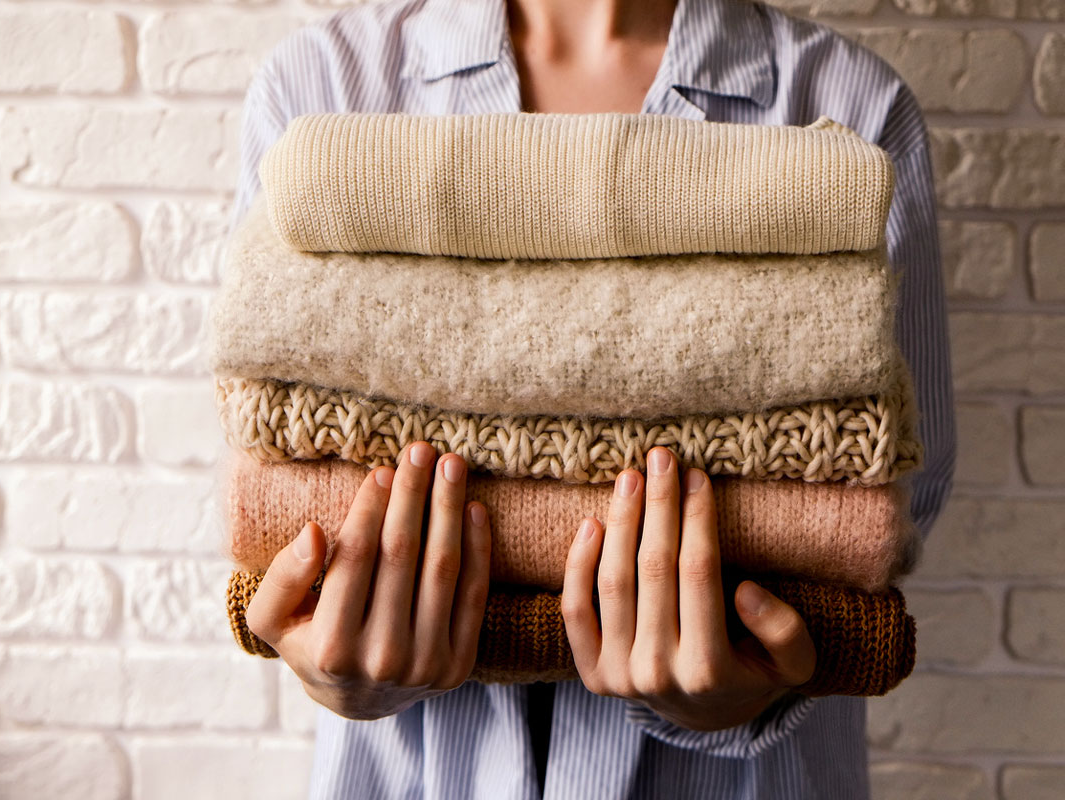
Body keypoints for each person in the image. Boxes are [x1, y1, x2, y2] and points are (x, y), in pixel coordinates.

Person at [229, 0, 956, 796]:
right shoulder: (323, 87)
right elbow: (273, 477)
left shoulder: (847, 104)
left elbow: (886, 506)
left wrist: (756, 691)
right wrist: (331, 674)